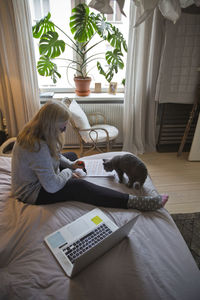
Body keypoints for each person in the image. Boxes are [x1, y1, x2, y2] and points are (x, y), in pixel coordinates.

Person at [11, 100, 168, 211]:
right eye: (62, 128)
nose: (63, 131)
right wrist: (70, 172)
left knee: (72, 156)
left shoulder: (37, 131)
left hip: (39, 178)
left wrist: (72, 165)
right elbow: (51, 187)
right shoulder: (37, 147)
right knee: (80, 187)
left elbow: (56, 155)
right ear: (50, 126)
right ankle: (136, 202)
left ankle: (72, 167)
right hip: (32, 192)